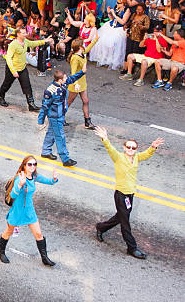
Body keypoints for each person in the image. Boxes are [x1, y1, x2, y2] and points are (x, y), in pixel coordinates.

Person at [93, 126, 164, 259]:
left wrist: (153, 147)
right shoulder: (118, 157)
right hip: (120, 195)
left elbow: (146, 154)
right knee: (125, 223)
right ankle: (132, 248)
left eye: (133, 148)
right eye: (129, 147)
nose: (131, 149)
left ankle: (101, 227)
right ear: (124, 148)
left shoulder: (136, 157)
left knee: (120, 217)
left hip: (130, 195)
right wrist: (105, 138)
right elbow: (110, 149)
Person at [0, 156, 58, 266]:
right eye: (29, 164)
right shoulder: (19, 178)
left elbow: (49, 181)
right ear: (24, 166)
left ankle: (45, 258)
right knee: (8, 232)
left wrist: (54, 179)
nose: (32, 166)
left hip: (29, 212)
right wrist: (20, 184)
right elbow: (13, 194)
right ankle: (1, 252)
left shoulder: (34, 177)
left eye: (34, 164)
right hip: (17, 212)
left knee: (39, 234)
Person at [38, 65, 87, 167]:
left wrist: (82, 72)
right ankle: (65, 159)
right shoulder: (50, 91)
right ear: (60, 80)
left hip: (60, 115)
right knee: (60, 137)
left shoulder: (63, 84)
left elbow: (72, 78)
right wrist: (40, 120)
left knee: (51, 133)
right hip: (55, 117)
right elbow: (44, 107)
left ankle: (46, 151)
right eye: (64, 78)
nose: (66, 79)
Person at [0, 28, 53, 111]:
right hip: (12, 69)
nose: (26, 34)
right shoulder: (13, 45)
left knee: (27, 86)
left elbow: (33, 43)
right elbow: (8, 58)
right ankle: (1, 97)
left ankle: (31, 104)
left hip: (22, 68)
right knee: (7, 84)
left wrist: (44, 41)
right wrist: (13, 71)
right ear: (18, 34)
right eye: (23, 33)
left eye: (25, 32)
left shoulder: (25, 41)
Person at [66, 38, 99, 129]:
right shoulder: (75, 58)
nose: (84, 45)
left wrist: (95, 39)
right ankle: (60, 117)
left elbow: (88, 48)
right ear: (80, 47)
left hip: (82, 82)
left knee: (86, 101)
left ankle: (87, 122)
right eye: (83, 44)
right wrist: (76, 83)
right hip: (76, 83)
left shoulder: (82, 53)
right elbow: (73, 72)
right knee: (69, 101)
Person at [88, 3, 130, 70]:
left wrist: (114, 14)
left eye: (119, 3)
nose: (117, 4)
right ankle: (102, 58)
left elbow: (123, 22)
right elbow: (112, 18)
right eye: (117, 2)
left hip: (119, 28)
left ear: (123, 4)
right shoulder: (116, 7)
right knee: (99, 39)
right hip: (111, 25)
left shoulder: (126, 10)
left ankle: (111, 60)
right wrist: (109, 13)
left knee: (110, 41)